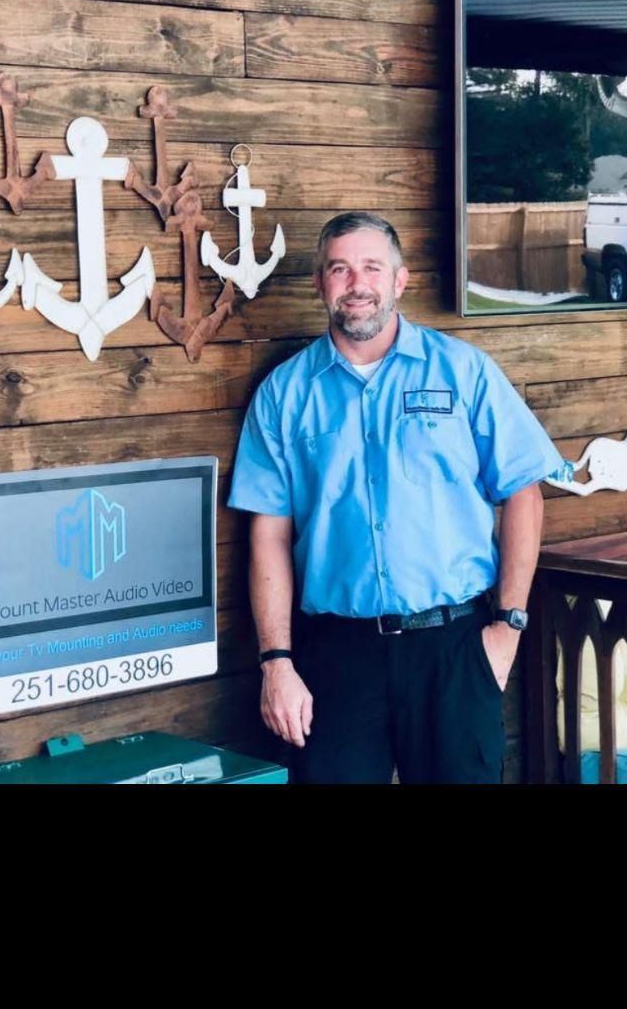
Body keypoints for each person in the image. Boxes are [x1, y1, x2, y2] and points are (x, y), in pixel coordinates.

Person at [228, 210, 562, 783]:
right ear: (320, 283)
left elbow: (524, 493)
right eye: (340, 269)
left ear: (399, 281)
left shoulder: (463, 373)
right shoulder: (285, 393)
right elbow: (270, 535)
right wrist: (276, 662)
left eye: (371, 268)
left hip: (453, 648)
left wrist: (506, 628)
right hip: (336, 655)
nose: (356, 283)